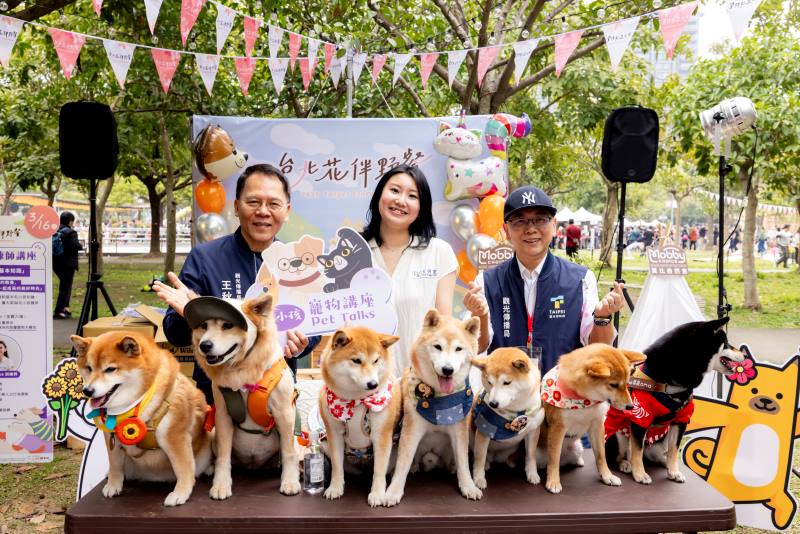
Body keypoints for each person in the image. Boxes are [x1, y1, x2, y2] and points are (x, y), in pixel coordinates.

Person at [155, 163, 318, 404]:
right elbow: (175, 334)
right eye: (253, 202)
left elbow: (314, 330)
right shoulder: (204, 258)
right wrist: (190, 313)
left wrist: (303, 342)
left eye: (273, 204)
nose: (263, 211)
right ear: (236, 206)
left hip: (274, 398)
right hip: (216, 397)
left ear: (287, 210)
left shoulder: (298, 265)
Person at [462, 186, 625, 375]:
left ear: (554, 225)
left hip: (563, 394)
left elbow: (598, 347)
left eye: (540, 219)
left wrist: (603, 317)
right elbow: (478, 347)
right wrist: (480, 315)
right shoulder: (487, 282)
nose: (531, 229)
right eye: (520, 221)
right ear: (506, 230)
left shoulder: (581, 279)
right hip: (506, 397)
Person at [361, 164, 457, 376]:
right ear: (379, 195)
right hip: (363, 386)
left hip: (421, 386)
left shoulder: (439, 252)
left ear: (421, 207)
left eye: (412, 196)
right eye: (394, 190)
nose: (401, 201)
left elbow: (443, 327)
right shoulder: (352, 253)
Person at [53, 211, 83, 319]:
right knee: (65, 287)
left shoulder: (55, 230)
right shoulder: (71, 233)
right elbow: (77, 246)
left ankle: (65, 307)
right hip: (68, 264)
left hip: (56, 263)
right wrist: (81, 245)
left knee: (65, 285)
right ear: (70, 221)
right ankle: (58, 311)